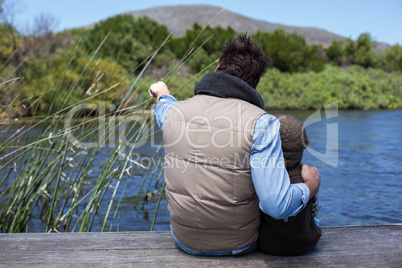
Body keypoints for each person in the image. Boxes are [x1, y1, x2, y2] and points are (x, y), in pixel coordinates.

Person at [149, 34, 321, 256]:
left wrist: (162, 94)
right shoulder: (262, 123)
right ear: (255, 82)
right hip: (238, 245)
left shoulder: (174, 113)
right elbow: (275, 206)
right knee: (294, 173)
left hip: (183, 241)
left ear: (218, 66)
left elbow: (162, 111)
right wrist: (310, 187)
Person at [258, 114, 321, 256]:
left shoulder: (264, 177)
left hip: (267, 245)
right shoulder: (306, 175)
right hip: (306, 244)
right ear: (305, 143)